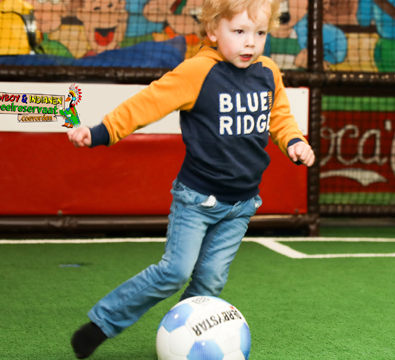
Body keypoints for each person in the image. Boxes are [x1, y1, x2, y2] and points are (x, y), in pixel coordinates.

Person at [67, 0, 315, 357]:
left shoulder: (268, 72)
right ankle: (101, 323)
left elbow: (280, 117)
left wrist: (294, 142)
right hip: (198, 200)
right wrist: (101, 131)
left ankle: (182, 340)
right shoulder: (198, 71)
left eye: (260, 33)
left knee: (210, 282)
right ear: (213, 31)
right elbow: (148, 103)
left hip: (242, 204)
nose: (251, 43)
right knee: (174, 271)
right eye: (240, 32)